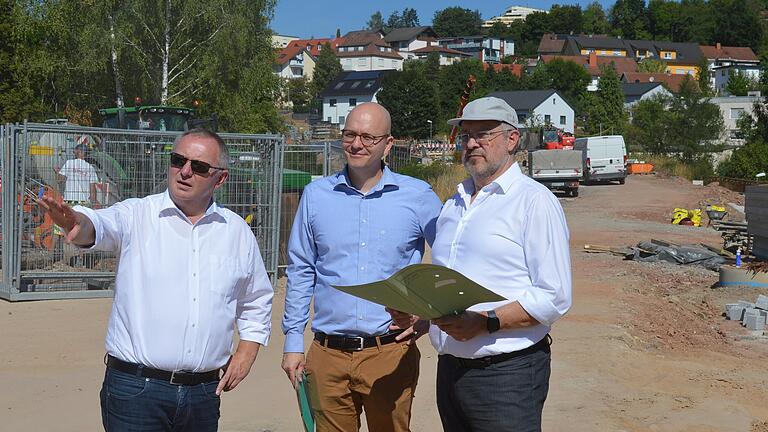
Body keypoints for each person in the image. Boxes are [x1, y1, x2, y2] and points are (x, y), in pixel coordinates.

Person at [41, 129, 274, 432]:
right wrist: (76, 222)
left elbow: (256, 299)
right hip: (136, 392)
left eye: (199, 167)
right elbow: (98, 225)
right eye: (178, 160)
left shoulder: (236, 232)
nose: (185, 171)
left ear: (220, 179)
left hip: (202, 394)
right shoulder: (137, 215)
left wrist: (247, 351)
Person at [389, 97, 573, 432]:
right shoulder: (454, 204)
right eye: (465, 136)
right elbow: (451, 290)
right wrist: (424, 319)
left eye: (483, 134)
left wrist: (486, 322)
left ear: (512, 139)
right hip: (451, 371)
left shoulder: (533, 202)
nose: (471, 143)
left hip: (506, 375)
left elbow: (554, 295)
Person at [281, 102, 443, 432]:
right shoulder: (316, 195)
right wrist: (293, 342)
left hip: (389, 352)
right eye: (350, 134)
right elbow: (301, 270)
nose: (357, 144)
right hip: (327, 354)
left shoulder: (417, 196)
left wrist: (428, 319)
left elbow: (450, 260)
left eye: (368, 137)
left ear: (388, 143)